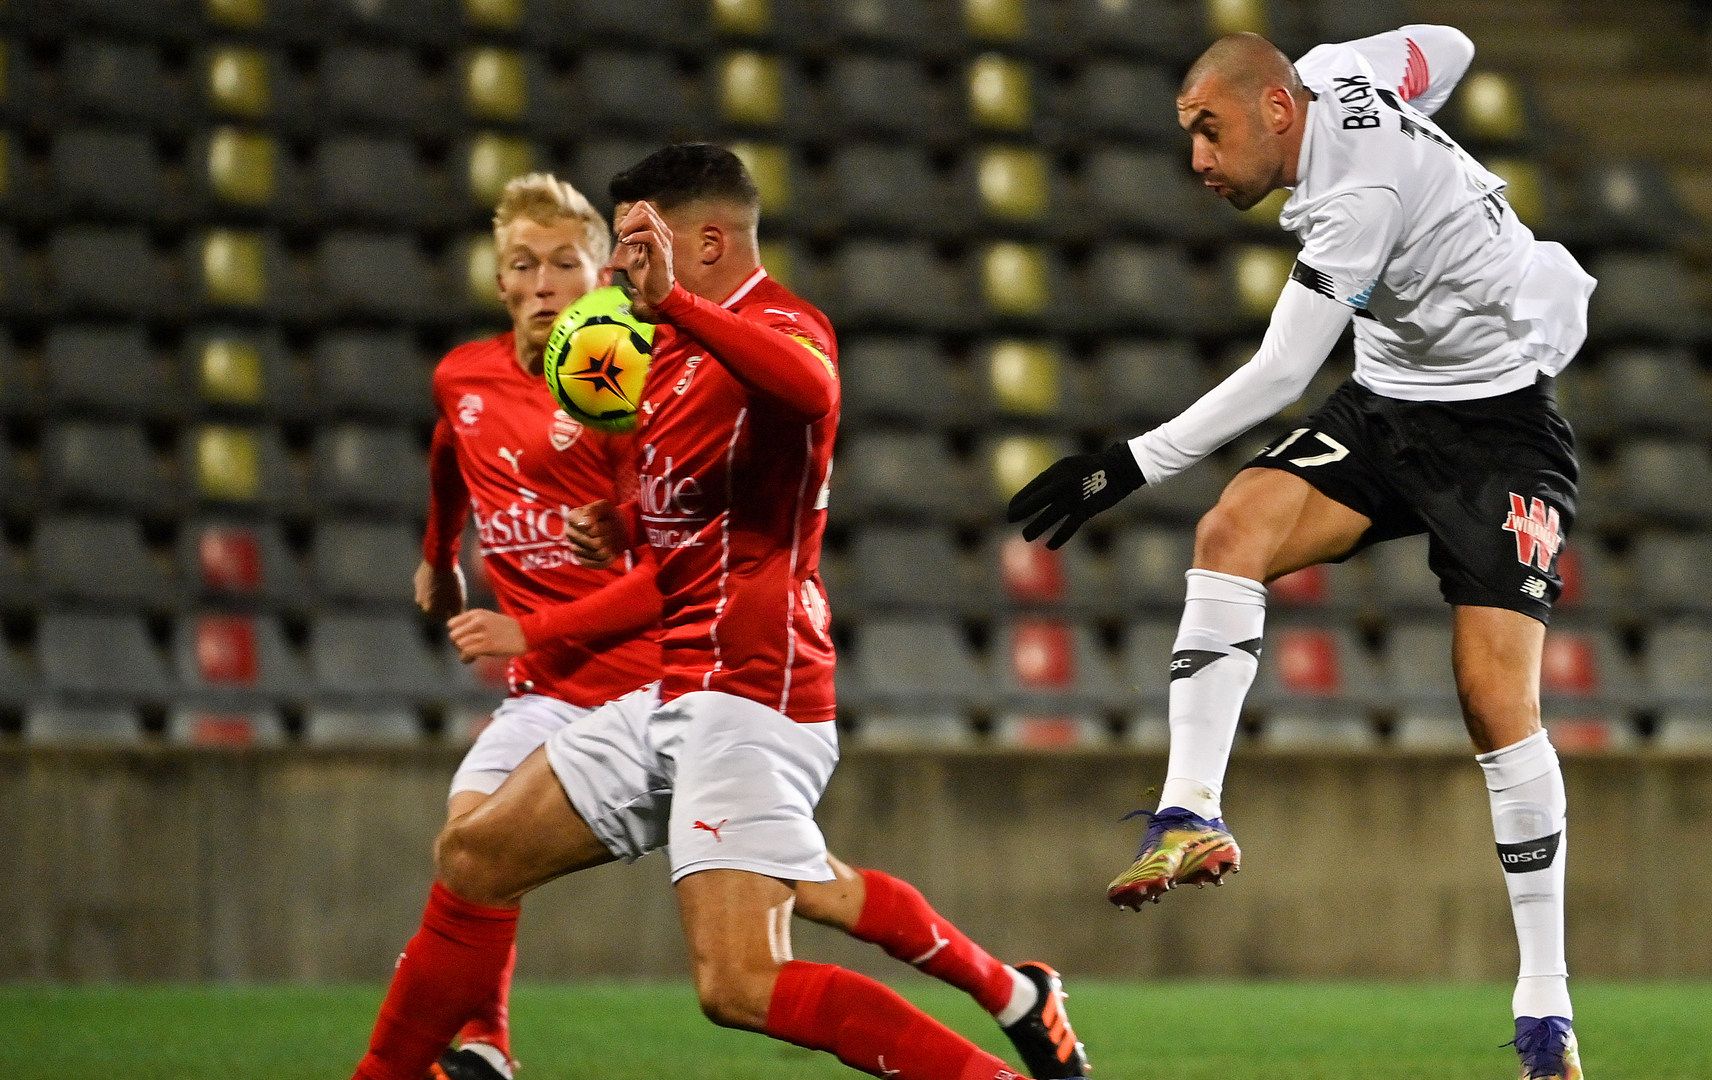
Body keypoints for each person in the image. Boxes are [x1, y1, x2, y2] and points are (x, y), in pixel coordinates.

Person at [350, 144, 1088, 1080]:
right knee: (475, 854)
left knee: (739, 983)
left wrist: (680, 310)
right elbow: (680, 550)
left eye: (630, 243)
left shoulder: (783, 323)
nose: (615, 269)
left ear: (703, 239)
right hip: (671, 689)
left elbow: (813, 392)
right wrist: (619, 525)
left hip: (753, 693)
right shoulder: (659, 360)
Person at [1007, 26, 1593, 1080]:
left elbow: (1281, 371)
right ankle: (1191, 811)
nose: (1197, 158)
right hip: (1386, 406)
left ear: (1277, 112)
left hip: (1500, 431)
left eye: (1208, 130)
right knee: (1232, 528)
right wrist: (1437, 148)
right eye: (1188, 134)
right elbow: (1448, 45)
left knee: (1494, 701)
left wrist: (1124, 466)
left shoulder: (1353, 196)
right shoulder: (1334, 72)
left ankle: (1546, 1011)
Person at [394, 172, 663, 1080]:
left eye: (562, 262)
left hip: (639, 685)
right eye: (523, 263)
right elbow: (447, 448)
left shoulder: (620, 390)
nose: (542, 281)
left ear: (597, 279)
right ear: (500, 280)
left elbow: (666, 543)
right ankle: (489, 1049)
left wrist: (617, 523)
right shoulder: (461, 376)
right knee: (467, 842)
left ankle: (1004, 992)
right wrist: (440, 555)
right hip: (544, 692)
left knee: (793, 903)